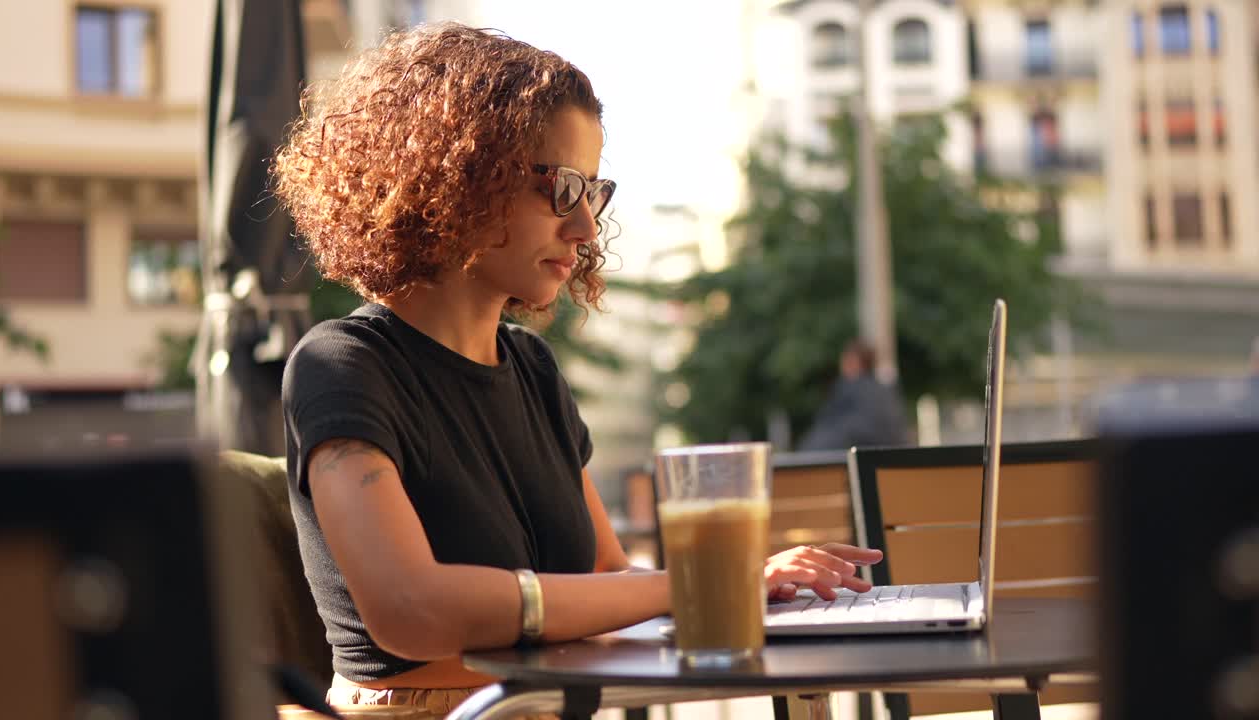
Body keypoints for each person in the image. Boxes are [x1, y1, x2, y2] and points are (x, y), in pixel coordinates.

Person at [272, 23, 883, 717]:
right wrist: (700, 580)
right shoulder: (342, 364)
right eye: (563, 189)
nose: (587, 228)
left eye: (593, 193)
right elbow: (410, 611)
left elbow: (605, 580)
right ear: (458, 175)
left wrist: (745, 587)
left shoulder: (530, 367)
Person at [798, 339, 910, 451]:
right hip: (893, 461)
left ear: (853, 361)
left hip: (855, 459)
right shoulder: (886, 391)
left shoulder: (848, 388)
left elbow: (826, 430)